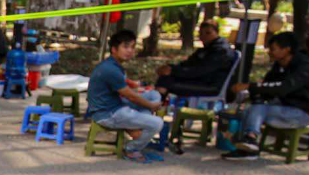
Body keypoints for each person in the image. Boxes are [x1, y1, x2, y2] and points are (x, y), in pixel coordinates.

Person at [221, 31, 309, 161]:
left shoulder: (305, 66)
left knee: (258, 109)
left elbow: (282, 88)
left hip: (302, 113)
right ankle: (244, 147)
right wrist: (252, 94)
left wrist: (249, 86)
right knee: (249, 108)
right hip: (282, 108)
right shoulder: (279, 66)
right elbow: (267, 86)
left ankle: (251, 141)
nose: (269, 52)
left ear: (286, 50)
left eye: (273, 49)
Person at [87, 29, 166, 164]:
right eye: (125, 47)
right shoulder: (110, 69)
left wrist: (138, 89)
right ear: (114, 49)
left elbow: (125, 87)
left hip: (116, 104)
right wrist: (152, 106)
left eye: (132, 47)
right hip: (107, 114)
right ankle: (131, 149)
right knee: (157, 123)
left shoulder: (114, 65)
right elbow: (131, 97)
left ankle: (139, 129)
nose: (130, 51)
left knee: (153, 94)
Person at [154, 20, 236, 99]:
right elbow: (188, 63)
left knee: (166, 82)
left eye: (208, 33)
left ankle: (154, 105)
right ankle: (156, 103)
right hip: (200, 80)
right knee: (166, 77)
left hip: (211, 85)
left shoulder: (221, 51)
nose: (203, 36)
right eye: (201, 33)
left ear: (217, 33)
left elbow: (200, 70)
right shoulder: (206, 49)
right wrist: (169, 68)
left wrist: (173, 71)